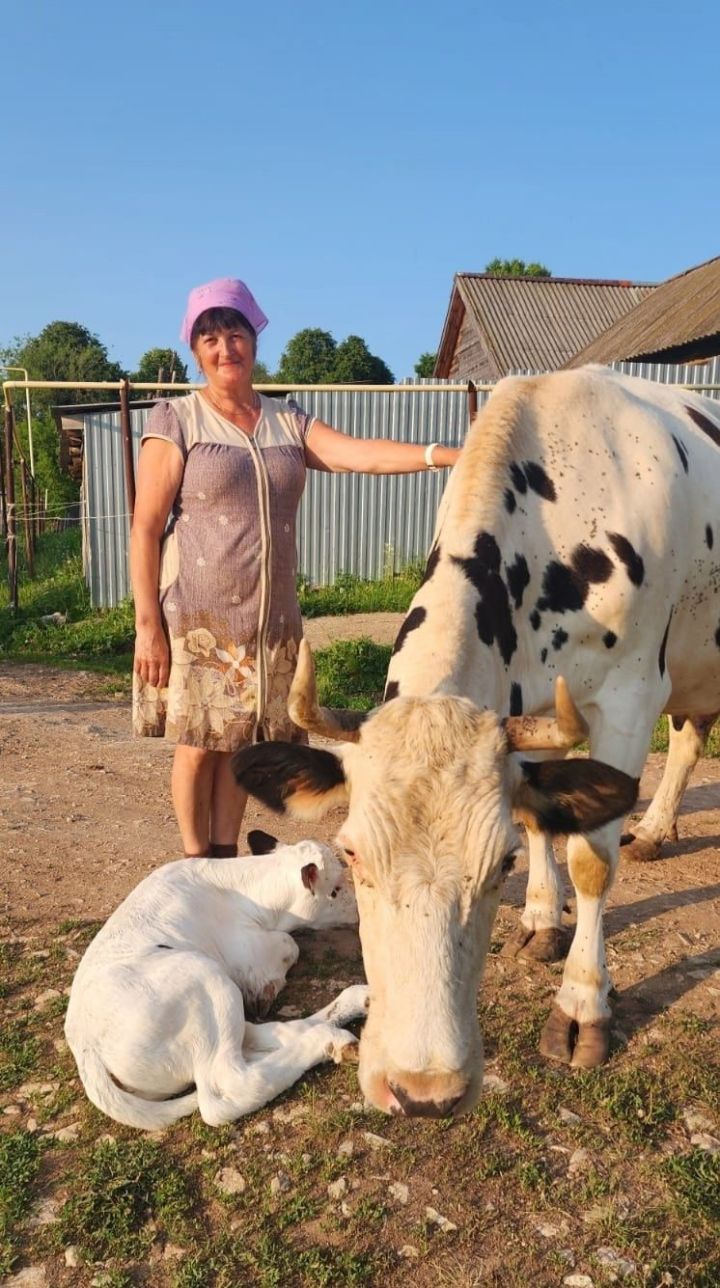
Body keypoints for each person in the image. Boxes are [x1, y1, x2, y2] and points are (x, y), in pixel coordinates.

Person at [130, 277, 460, 858]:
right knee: (199, 743)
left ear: (254, 340)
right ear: (195, 350)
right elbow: (146, 527)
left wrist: (442, 455)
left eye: (234, 333)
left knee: (244, 744)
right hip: (201, 620)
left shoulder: (288, 421)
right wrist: (147, 624)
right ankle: (193, 861)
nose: (224, 347)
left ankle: (226, 856)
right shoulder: (177, 420)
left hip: (271, 622)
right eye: (209, 337)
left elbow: (360, 453)